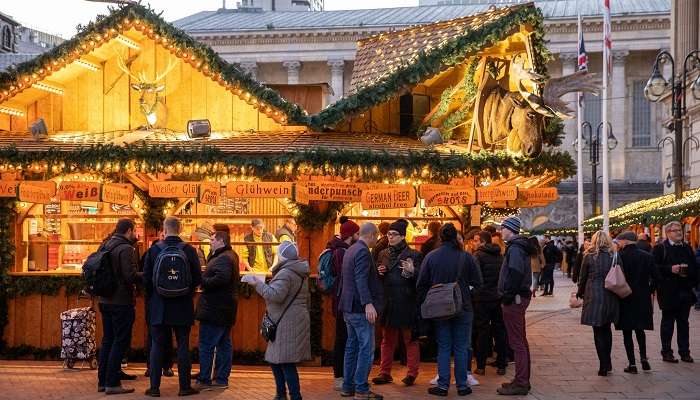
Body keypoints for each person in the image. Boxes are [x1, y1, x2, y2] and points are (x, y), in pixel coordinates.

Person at [417, 223, 482, 397]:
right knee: (461, 347)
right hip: (464, 309)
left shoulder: (431, 257)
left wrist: (433, 296)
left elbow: (421, 284)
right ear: (456, 237)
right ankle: (462, 385)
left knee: (444, 346)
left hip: (440, 309)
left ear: (440, 237)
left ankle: (443, 385)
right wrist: (466, 294)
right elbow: (478, 284)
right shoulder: (466, 257)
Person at [143, 216, 202, 397]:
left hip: (159, 305)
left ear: (164, 229)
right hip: (182, 305)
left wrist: (154, 297)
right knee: (183, 345)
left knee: (157, 346)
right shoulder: (189, 250)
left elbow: (146, 280)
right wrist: (187, 293)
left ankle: (154, 388)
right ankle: (184, 387)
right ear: (181, 229)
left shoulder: (154, 250)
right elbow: (198, 278)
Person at [247, 241, 310, 400]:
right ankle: (281, 394)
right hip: (291, 319)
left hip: (286, 322)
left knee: (285, 361)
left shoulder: (286, 273)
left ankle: (294, 396)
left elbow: (276, 295)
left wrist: (257, 284)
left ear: (282, 256)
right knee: (276, 360)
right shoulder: (298, 270)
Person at [372, 219, 424, 387]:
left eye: (394, 234)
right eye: (389, 234)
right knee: (387, 339)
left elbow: (422, 279)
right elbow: (377, 275)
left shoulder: (414, 255)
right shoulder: (383, 254)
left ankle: (412, 373)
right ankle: (384, 372)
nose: (390, 237)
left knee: (410, 339)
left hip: (407, 301)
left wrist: (412, 272)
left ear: (402, 236)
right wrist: (379, 271)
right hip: (389, 301)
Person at [339, 222, 384, 400]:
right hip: (359, 308)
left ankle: (347, 386)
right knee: (366, 349)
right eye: (377, 236)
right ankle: (362, 388)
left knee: (352, 347)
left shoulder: (351, 249)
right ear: (372, 235)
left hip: (348, 307)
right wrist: (368, 303)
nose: (377, 239)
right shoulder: (364, 251)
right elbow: (360, 279)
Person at [97, 219, 140, 395]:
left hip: (104, 300)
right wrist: (148, 274)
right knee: (119, 341)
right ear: (129, 230)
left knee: (108, 339)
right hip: (121, 301)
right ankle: (113, 383)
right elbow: (129, 276)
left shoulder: (105, 245)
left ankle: (103, 380)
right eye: (134, 230)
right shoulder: (126, 249)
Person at [195, 230, 239, 390]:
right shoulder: (228, 255)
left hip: (215, 308)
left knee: (207, 344)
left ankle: (205, 379)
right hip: (224, 308)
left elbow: (221, 278)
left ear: (221, 241)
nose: (210, 242)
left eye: (213, 240)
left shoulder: (224, 258)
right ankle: (221, 379)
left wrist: (202, 281)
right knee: (223, 344)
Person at [495, 217, 533, 396]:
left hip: (515, 299)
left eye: (503, 228)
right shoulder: (517, 247)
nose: (501, 231)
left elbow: (516, 273)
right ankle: (521, 379)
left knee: (517, 342)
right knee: (520, 341)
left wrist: (508, 295)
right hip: (517, 297)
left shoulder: (515, 248)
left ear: (510, 229)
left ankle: (521, 382)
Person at [652, 221, 699, 363]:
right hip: (668, 291)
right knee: (668, 323)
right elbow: (654, 268)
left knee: (683, 323)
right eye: (675, 230)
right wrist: (670, 269)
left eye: (680, 230)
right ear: (668, 233)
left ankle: (685, 352)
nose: (679, 232)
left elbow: (695, 268)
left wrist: (691, 282)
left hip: (684, 291)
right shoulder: (661, 248)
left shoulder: (687, 248)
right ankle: (666, 352)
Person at [576, 230, 620, 377]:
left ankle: (603, 365)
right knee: (607, 330)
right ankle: (608, 363)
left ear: (594, 241)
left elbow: (582, 278)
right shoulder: (614, 256)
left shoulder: (589, 257)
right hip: (610, 295)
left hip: (593, 295)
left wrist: (580, 292)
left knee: (598, 331)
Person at [614, 231, 656, 374]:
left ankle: (632, 364)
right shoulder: (647, 256)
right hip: (642, 299)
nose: (618, 244)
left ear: (625, 241)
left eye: (619, 241)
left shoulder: (620, 257)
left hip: (625, 298)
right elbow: (657, 277)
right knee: (640, 330)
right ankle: (644, 359)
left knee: (627, 333)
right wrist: (649, 290)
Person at [327, 219, 360, 391]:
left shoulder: (340, 249)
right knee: (343, 340)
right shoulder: (341, 252)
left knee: (345, 340)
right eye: (357, 234)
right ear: (351, 235)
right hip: (343, 303)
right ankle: (340, 377)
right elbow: (347, 276)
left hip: (341, 301)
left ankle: (345, 376)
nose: (359, 237)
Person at [471, 230, 507, 376]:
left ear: (483, 242)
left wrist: (475, 294)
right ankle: (501, 365)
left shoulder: (477, 256)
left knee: (482, 332)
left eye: (476, 240)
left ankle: (480, 366)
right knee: (500, 331)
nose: (474, 243)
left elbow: (476, 279)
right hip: (498, 298)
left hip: (483, 299)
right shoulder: (500, 256)